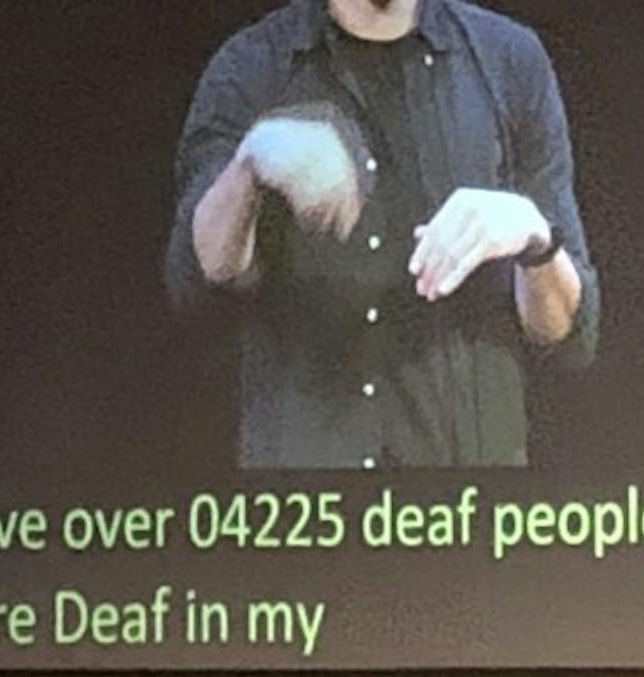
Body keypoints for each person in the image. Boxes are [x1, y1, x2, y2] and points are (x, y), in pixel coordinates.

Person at [166, 0, 599, 469]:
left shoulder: (508, 60)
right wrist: (250, 165)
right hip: (304, 510)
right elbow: (195, 276)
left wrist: (533, 236)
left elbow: (567, 335)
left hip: (469, 508)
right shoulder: (253, 64)